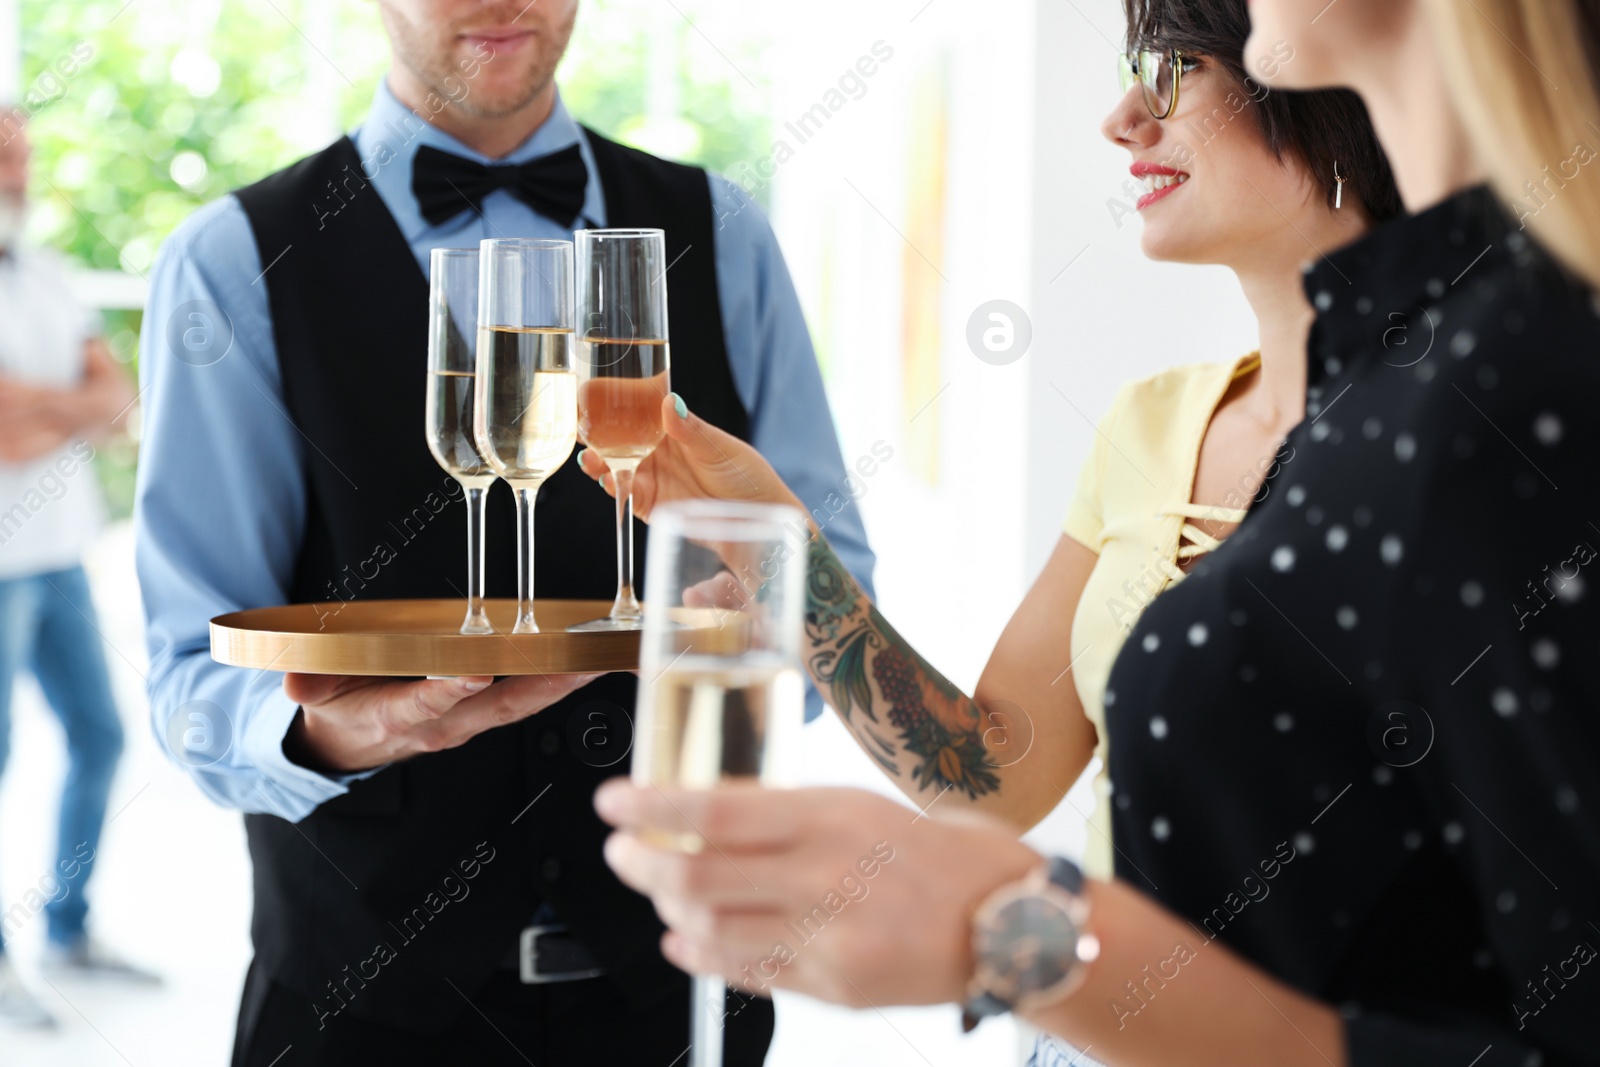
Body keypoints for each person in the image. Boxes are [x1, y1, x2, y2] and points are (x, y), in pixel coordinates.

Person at [592, 0, 1600, 1062]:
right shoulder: (1156, 419)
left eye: (1175, 70)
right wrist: (785, 551)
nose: (1122, 117)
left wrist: (1006, 926)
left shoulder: (1496, 399)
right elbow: (991, 768)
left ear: (1330, 109)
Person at [135, 1, 873, 1064]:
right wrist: (349, 730)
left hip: (680, 987)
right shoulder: (230, 260)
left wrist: (756, 641)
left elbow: (835, 591)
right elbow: (188, 671)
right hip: (361, 1010)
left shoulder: (724, 229)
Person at [0, 114, 155, 1030]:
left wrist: (44, 404)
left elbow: (120, 401)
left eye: (20, 151)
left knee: (99, 737)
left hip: (61, 554)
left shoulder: (50, 271)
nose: (14, 166)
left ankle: (70, 924)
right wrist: (76, 404)